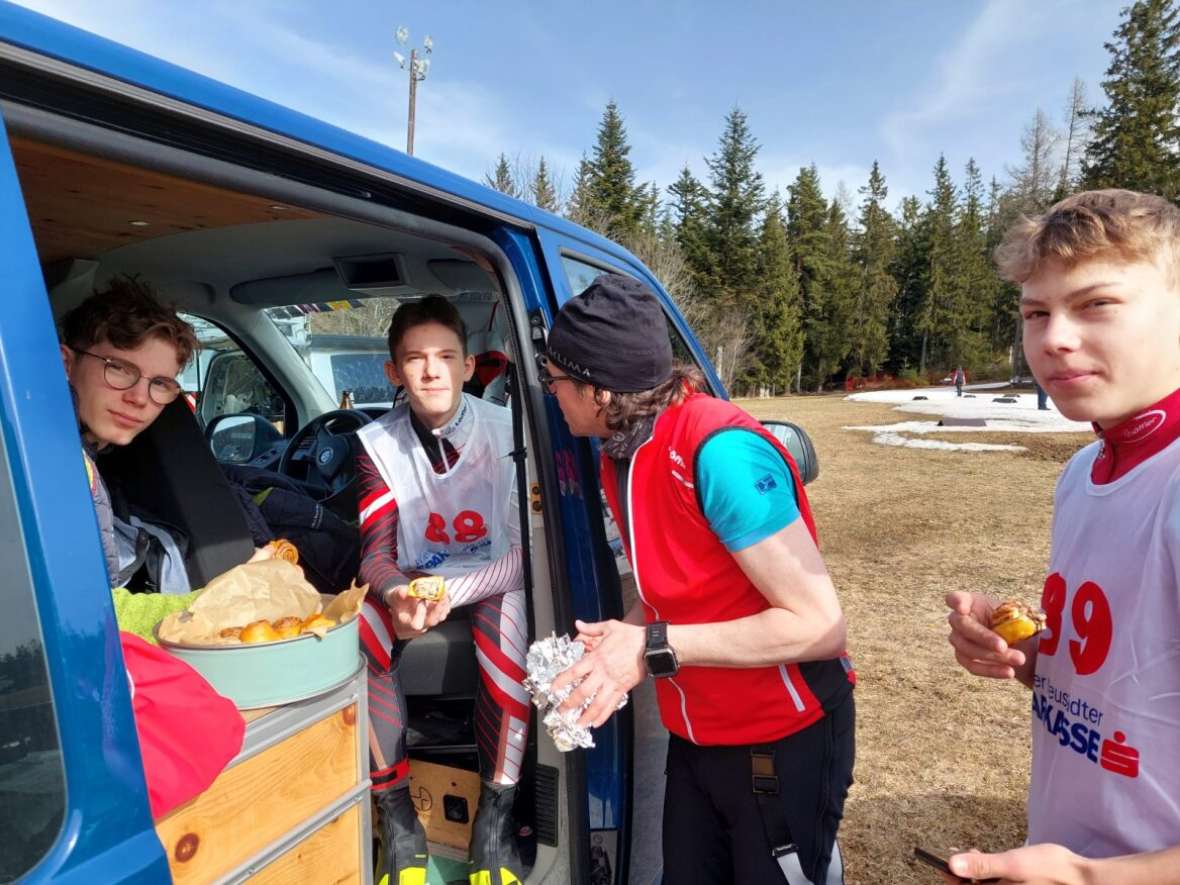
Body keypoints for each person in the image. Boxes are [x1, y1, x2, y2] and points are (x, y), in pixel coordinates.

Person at [545, 274, 855, 885]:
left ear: (598, 390)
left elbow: (819, 625)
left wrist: (651, 647)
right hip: (698, 735)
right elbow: (675, 590)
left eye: (554, 380)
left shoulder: (720, 454)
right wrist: (626, 635)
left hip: (780, 739)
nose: (549, 393)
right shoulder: (621, 452)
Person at [945, 190, 1180, 885]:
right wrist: (1023, 650)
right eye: (1036, 313)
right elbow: (1126, 686)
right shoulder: (1083, 471)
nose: (1054, 338)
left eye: (1096, 304)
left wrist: (1087, 874)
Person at [354, 295, 528, 885]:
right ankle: (399, 818)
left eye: (445, 357)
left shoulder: (508, 432)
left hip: (493, 579)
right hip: (417, 586)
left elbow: (521, 560)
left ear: (469, 364)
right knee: (359, 628)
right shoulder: (376, 442)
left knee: (506, 636)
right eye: (414, 359)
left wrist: (448, 594)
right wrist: (399, 594)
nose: (431, 371)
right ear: (393, 372)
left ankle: (496, 819)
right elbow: (375, 553)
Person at [60, 277, 201, 592]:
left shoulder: (81, 456)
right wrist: (229, 594)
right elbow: (99, 616)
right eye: (120, 368)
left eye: (161, 383)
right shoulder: (56, 465)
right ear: (65, 363)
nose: (139, 398)